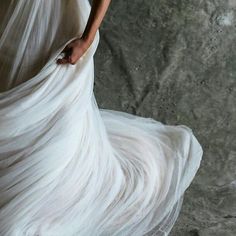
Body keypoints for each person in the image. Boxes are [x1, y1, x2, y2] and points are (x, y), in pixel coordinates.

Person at [0, 0, 203, 236]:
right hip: (10, 18)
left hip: (56, 30)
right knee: (17, 104)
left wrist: (86, 39)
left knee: (49, 114)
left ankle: (34, 193)